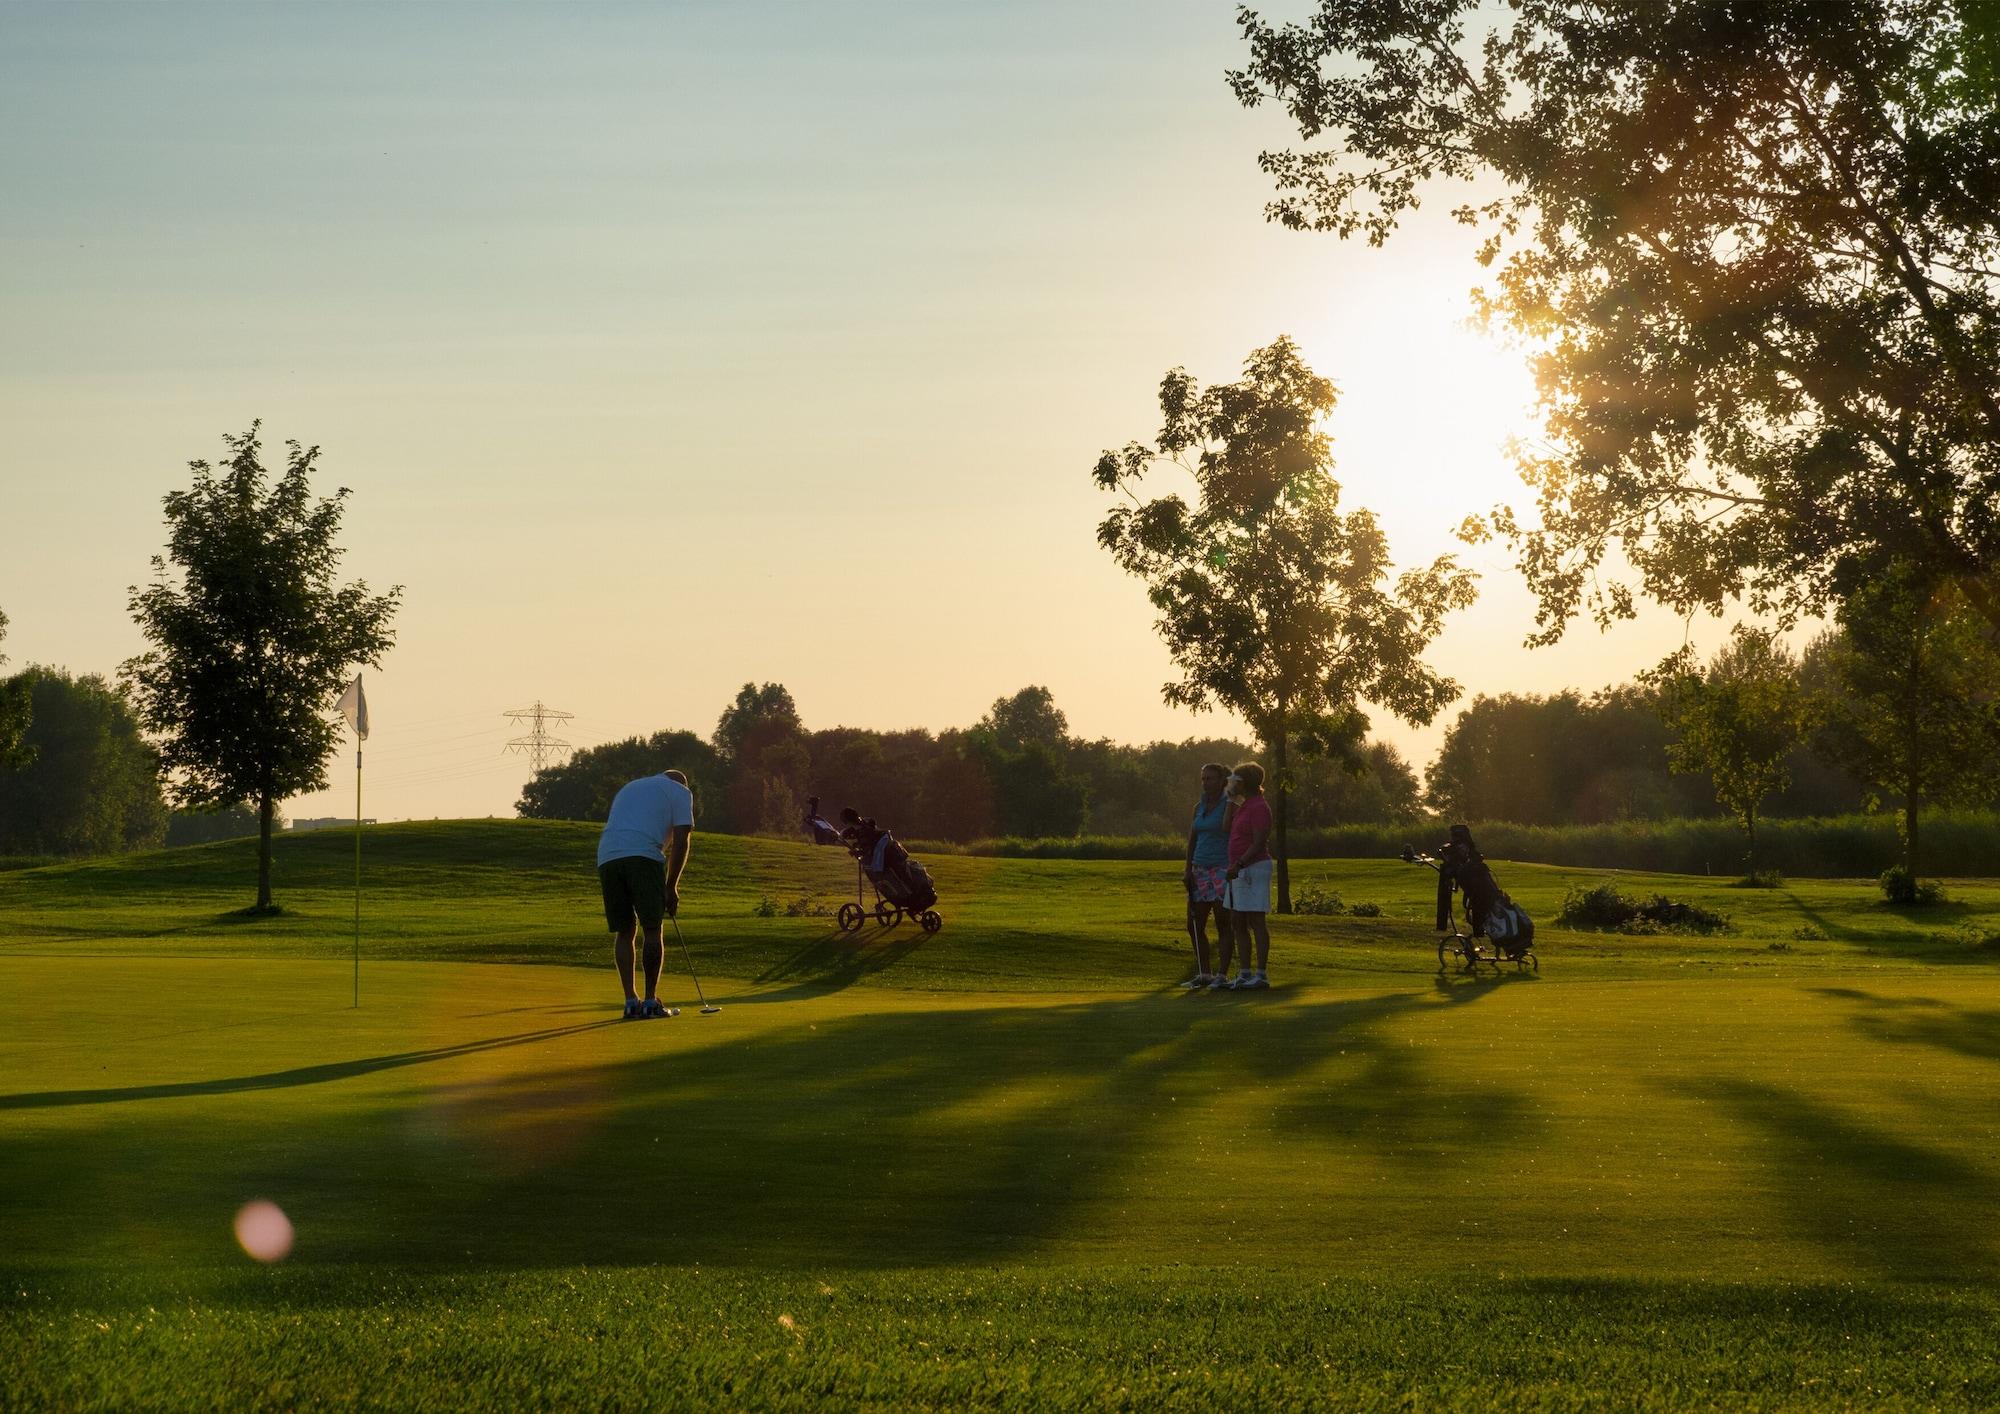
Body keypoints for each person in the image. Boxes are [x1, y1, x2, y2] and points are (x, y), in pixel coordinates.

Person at [597, 767, 695, 1019]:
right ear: (682, 783)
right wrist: (671, 886)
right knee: (652, 927)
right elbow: (682, 840)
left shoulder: (631, 787)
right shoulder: (680, 791)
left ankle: (631, 1002)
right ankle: (651, 1002)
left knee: (625, 930)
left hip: (608, 857)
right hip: (643, 856)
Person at [1435, 823, 1531, 956]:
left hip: (1482, 895)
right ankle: (1509, 945)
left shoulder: (1462, 854)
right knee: (1491, 915)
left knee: (1489, 917)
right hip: (1485, 893)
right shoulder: (1467, 853)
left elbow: (1450, 862)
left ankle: (1510, 944)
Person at [1218, 762, 1274, 990]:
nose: (1231, 784)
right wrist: (1230, 800)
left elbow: (1259, 841)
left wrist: (1240, 863)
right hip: (1238, 869)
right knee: (1237, 920)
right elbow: (1225, 827)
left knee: (1255, 920)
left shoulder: (1259, 807)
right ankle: (1244, 973)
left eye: (1234, 781)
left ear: (1244, 783)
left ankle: (1260, 974)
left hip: (1254, 867)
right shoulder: (1244, 805)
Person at [1181, 762, 1233, 988]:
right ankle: (1205, 973)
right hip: (1199, 869)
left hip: (1222, 868)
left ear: (1222, 781)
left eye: (1210, 778)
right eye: (1203, 779)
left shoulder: (1230, 805)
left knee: (1223, 923)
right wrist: (1188, 869)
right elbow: (1192, 840)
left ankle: (1222, 975)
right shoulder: (1199, 807)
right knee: (1194, 924)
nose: (1205, 783)